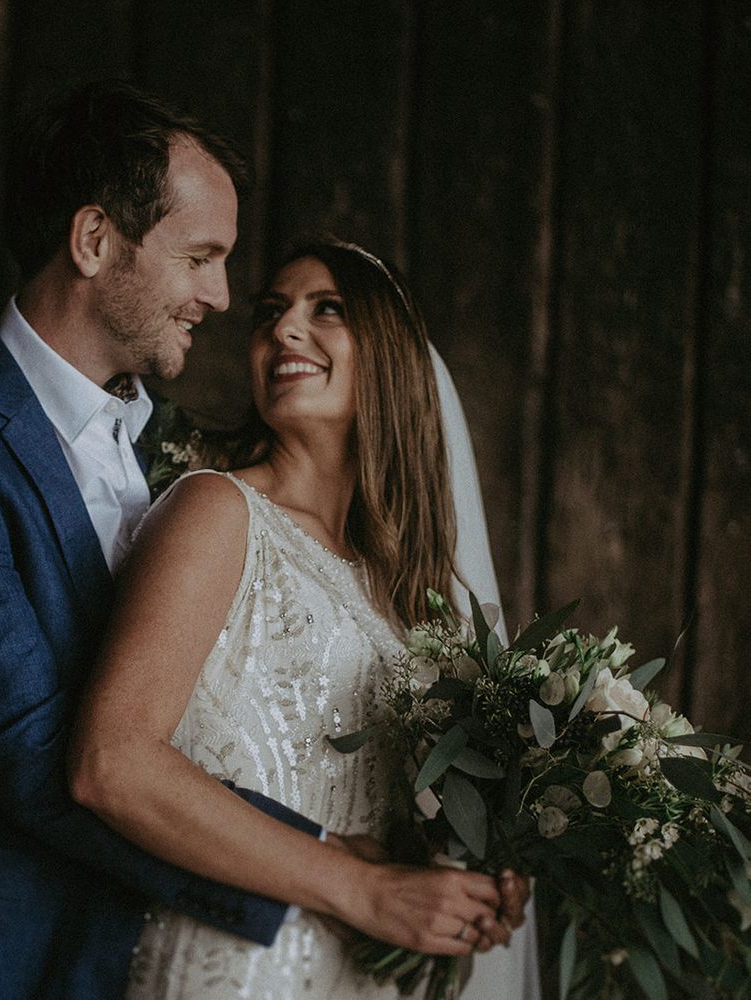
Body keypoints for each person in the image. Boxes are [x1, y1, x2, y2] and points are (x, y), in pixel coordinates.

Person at [0, 80, 337, 1000]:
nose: (220, 296)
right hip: (5, 963)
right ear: (93, 240)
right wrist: (332, 875)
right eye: (200, 257)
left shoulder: (185, 455)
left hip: (183, 964)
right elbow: (38, 756)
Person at [68, 241, 540, 998]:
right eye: (270, 314)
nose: (284, 330)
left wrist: (466, 884)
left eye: (328, 310)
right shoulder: (216, 512)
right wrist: (362, 889)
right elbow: (111, 763)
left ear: (391, 355)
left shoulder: (412, 599)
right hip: (233, 971)